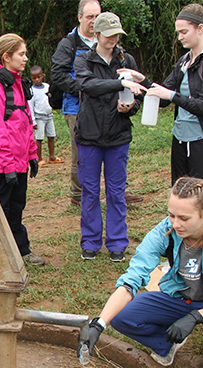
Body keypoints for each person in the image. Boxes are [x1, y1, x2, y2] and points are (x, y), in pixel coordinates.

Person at [81, 177, 203, 368]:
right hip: (181, 297)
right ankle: (168, 344)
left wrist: (194, 317)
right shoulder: (166, 230)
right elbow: (132, 278)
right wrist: (100, 324)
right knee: (121, 315)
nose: (175, 224)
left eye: (184, 218)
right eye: (171, 215)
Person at [51, 0, 143, 206]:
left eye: (97, 16)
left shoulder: (112, 44)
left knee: (115, 150)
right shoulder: (70, 43)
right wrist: (84, 90)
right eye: (90, 17)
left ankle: (120, 190)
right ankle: (79, 195)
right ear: (80, 17)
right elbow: (58, 74)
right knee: (81, 154)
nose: (93, 21)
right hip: (77, 107)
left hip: (110, 107)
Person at [74, 12, 148, 262]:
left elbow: (137, 96)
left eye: (117, 34)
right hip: (89, 136)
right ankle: (91, 241)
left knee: (116, 192)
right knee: (90, 191)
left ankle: (117, 242)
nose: (114, 39)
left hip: (118, 136)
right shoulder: (83, 60)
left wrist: (130, 108)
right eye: (109, 34)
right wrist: (121, 84)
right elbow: (88, 85)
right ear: (96, 35)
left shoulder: (127, 60)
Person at [136, 4, 203, 192]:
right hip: (180, 137)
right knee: (180, 193)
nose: (179, 37)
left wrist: (172, 95)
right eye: (178, 32)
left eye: (184, 32)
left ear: (200, 28)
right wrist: (143, 81)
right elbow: (163, 98)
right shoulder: (185, 60)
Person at [0, 33, 44, 266]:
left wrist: (32, 155)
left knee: (17, 207)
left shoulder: (17, 84)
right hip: (2, 164)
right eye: (21, 54)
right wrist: (7, 166)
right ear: (6, 57)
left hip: (18, 162)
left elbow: (25, 122)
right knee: (1, 210)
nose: (26, 59)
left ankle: (20, 250)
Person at [28, 65, 61, 167]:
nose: (37, 79)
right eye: (34, 78)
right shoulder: (31, 91)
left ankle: (52, 157)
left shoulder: (47, 86)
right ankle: (39, 159)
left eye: (39, 77)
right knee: (39, 138)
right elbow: (30, 106)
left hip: (49, 116)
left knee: (51, 136)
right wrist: (33, 121)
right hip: (39, 117)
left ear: (43, 76)